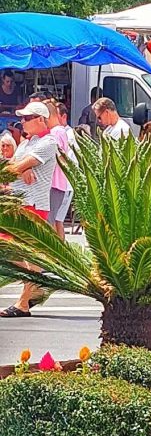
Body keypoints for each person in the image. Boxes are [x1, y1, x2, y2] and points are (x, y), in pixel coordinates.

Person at [0, 101, 60, 318]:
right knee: (15, 250)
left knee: (25, 251)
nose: (22, 122)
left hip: (33, 204)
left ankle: (25, 300)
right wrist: (21, 168)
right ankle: (35, 286)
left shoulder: (48, 142)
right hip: (20, 202)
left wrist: (20, 168)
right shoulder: (28, 143)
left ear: (41, 120)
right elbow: (11, 165)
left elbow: (13, 167)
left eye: (27, 118)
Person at [44, 99, 75, 242]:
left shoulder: (56, 132)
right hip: (59, 184)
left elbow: (53, 157)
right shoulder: (61, 131)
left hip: (55, 183)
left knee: (50, 223)